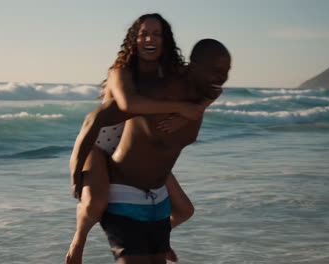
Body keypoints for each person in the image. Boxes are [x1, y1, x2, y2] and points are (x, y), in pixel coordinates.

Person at [71, 39, 231, 263]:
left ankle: (161, 240)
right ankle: (78, 241)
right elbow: (110, 113)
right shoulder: (122, 75)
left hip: (131, 149)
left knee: (184, 210)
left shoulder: (167, 80)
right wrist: (75, 172)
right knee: (94, 205)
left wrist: (187, 114)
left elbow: (212, 91)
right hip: (101, 146)